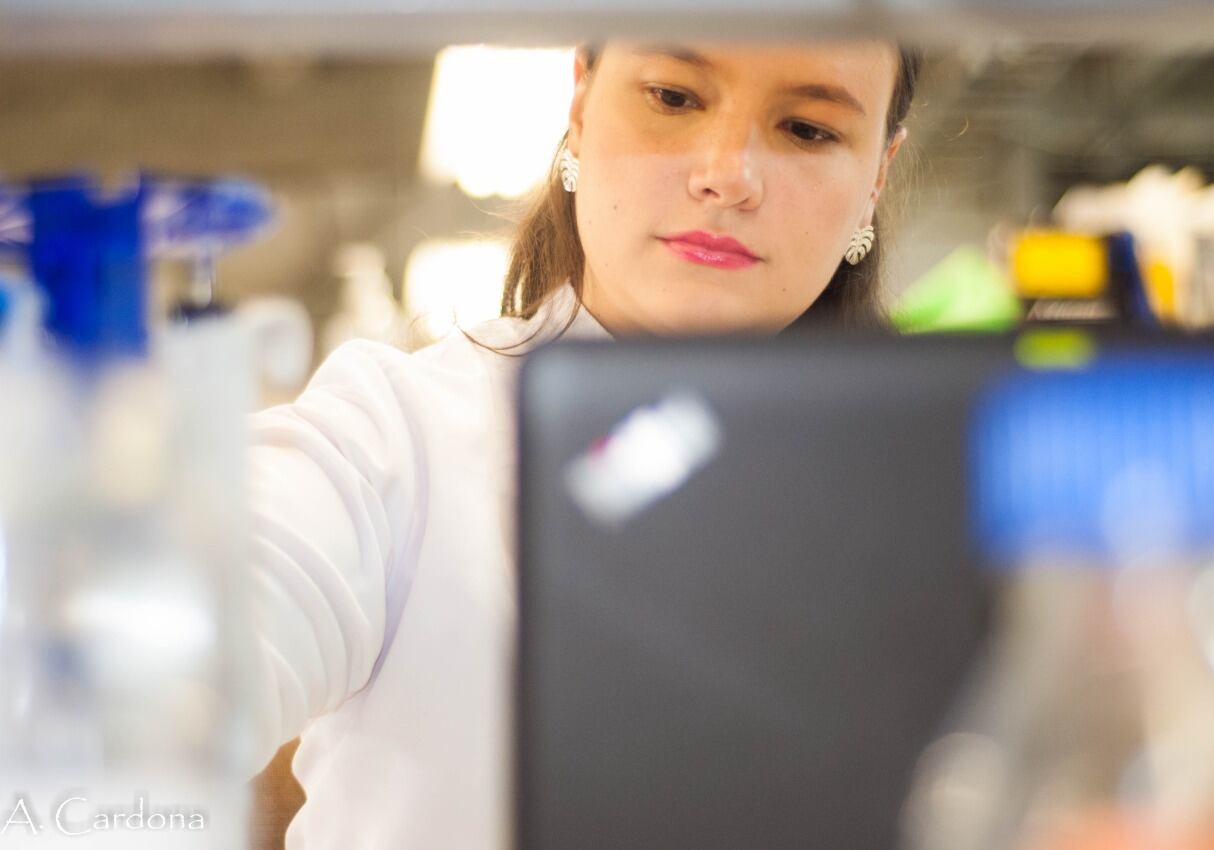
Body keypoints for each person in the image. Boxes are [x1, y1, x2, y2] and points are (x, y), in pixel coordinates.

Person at [246, 40, 919, 849]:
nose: (728, 173)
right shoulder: (396, 435)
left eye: (807, 129)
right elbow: (187, 648)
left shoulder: (943, 495)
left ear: (877, 172)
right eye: (673, 97)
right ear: (580, 102)